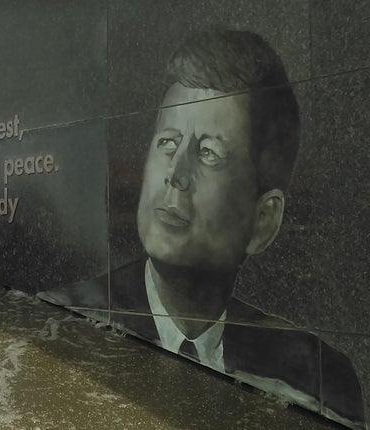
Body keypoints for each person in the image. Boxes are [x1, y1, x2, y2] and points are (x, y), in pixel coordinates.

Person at [38, 29, 365, 428]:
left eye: (209, 152)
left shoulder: (318, 380)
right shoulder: (57, 328)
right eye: (168, 143)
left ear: (263, 221)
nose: (176, 174)